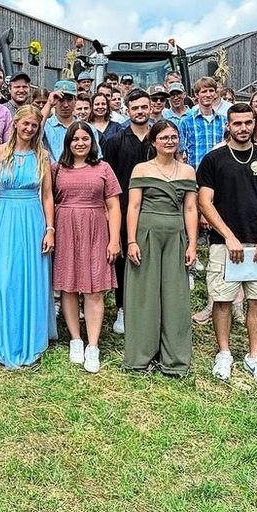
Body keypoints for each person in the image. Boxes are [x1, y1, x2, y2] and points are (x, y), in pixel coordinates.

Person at [197, 103, 257, 387]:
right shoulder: (214, 159)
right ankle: (224, 353)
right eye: (237, 123)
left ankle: (255, 356)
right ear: (228, 125)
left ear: (255, 123)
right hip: (224, 245)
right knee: (222, 301)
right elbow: (205, 202)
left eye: (248, 122)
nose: (243, 128)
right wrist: (228, 235)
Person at [122, 118, 197, 375]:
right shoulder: (141, 169)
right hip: (146, 235)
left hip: (175, 236)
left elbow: (190, 208)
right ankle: (140, 356)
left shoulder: (187, 171)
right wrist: (131, 240)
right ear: (153, 142)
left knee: (175, 296)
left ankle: (174, 360)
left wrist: (192, 244)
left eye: (173, 137)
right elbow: (133, 207)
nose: (169, 141)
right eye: (164, 137)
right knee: (144, 295)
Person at [0, 105, 55, 369]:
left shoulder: (42, 155)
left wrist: (50, 229)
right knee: (5, 277)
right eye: (26, 123)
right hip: (5, 218)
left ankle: (31, 337)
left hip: (32, 219)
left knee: (31, 276)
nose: (29, 129)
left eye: (34, 125)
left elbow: (47, 195)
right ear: (15, 123)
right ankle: (4, 336)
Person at [52, 123, 121, 373]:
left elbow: (114, 206)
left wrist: (114, 239)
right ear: (67, 143)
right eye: (75, 139)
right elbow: (48, 200)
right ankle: (75, 339)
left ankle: (92, 345)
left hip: (95, 230)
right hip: (66, 229)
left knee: (94, 289)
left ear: (92, 142)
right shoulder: (57, 169)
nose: (80, 143)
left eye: (85, 138)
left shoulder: (103, 168)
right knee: (69, 286)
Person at [103, 88, 155, 336]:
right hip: (123, 209)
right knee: (123, 259)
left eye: (144, 107)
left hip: (154, 208)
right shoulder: (115, 141)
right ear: (127, 110)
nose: (140, 111)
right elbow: (108, 180)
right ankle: (123, 308)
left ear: (150, 108)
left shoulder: (159, 139)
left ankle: (148, 308)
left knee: (151, 258)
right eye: (135, 108)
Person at [178, 78, 228, 168]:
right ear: (196, 94)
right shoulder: (186, 121)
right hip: (195, 171)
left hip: (219, 171)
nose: (208, 95)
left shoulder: (223, 121)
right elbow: (179, 153)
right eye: (204, 91)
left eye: (211, 91)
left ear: (215, 93)